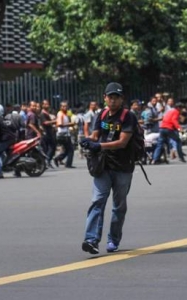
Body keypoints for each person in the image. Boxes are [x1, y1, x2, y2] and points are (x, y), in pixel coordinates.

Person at [81, 82, 136, 254]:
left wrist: (100, 146)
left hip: (123, 167)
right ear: (104, 98)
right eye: (110, 97)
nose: (113, 100)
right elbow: (96, 135)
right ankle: (91, 240)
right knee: (97, 201)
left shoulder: (128, 116)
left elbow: (122, 142)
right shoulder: (102, 114)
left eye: (116, 97)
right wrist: (88, 140)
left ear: (121, 99)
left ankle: (113, 239)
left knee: (119, 206)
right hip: (103, 166)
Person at [54, 101, 75, 168]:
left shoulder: (65, 114)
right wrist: (70, 124)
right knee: (70, 149)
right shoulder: (60, 114)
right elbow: (59, 124)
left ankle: (58, 158)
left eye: (66, 106)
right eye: (63, 106)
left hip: (65, 134)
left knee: (67, 150)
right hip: (63, 134)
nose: (65, 107)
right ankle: (68, 164)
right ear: (60, 107)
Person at [40, 99, 56, 168]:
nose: (47, 105)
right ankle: (47, 161)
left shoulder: (46, 113)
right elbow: (45, 122)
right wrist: (54, 121)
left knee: (50, 148)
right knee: (51, 147)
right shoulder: (42, 113)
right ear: (42, 105)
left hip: (49, 132)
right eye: (45, 104)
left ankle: (47, 161)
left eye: (48, 104)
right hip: (46, 133)